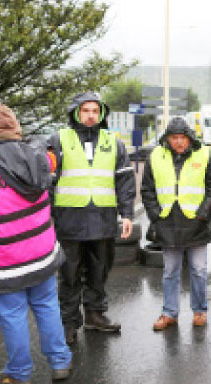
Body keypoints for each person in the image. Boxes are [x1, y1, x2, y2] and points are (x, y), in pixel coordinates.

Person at [47, 92, 135, 344]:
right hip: (69, 219)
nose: (90, 115)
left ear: (101, 114)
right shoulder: (58, 140)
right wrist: (49, 216)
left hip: (103, 219)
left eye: (95, 111)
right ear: (76, 112)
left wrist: (127, 214)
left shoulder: (113, 142)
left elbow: (125, 181)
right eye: (85, 110)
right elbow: (47, 181)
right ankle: (69, 323)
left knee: (99, 270)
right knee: (69, 274)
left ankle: (95, 316)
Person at [0, 103, 72, 384]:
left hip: (7, 259)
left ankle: (20, 374)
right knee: (46, 305)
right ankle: (60, 362)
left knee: (13, 313)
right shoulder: (37, 156)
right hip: (42, 252)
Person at [140, 117, 211, 331]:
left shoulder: (205, 154)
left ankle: (199, 311)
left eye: (182, 138)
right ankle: (169, 313)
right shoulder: (156, 156)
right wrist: (155, 215)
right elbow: (147, 190)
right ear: (167, 138)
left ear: (189, 138)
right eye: (174, 138)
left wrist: (202, 215)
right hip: (167, 222)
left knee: (198, 270)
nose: (179, 142)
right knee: (170, 271)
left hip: (195, 223)